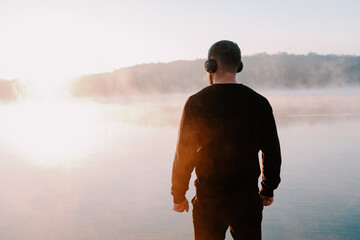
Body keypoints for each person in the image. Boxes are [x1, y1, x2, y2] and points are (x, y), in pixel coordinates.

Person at [171, 40, 281, 240]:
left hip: (208, 199)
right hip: (247, 199)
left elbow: (184, 153)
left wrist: (179, 195)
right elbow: (272, 151)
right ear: (238, 66)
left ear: (210, 66)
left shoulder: (196, 103)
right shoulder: (260, 103)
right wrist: (267, 189)